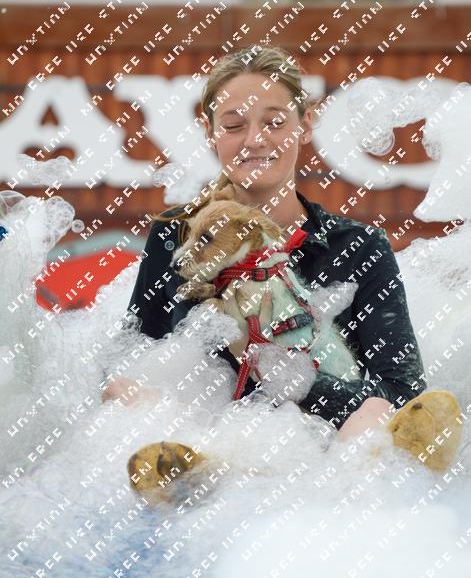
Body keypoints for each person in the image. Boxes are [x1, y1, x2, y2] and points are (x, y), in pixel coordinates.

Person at [117, 44, 427, 442]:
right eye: (233, 126)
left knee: (379, 413)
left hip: (321, 462)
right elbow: (130, 360)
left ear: (306, 123)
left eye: (275, 122)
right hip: (200, 455)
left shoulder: (360, 248)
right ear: (210, 133)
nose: (255, 140)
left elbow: (404, 398)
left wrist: (293, 380)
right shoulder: (175, 235)